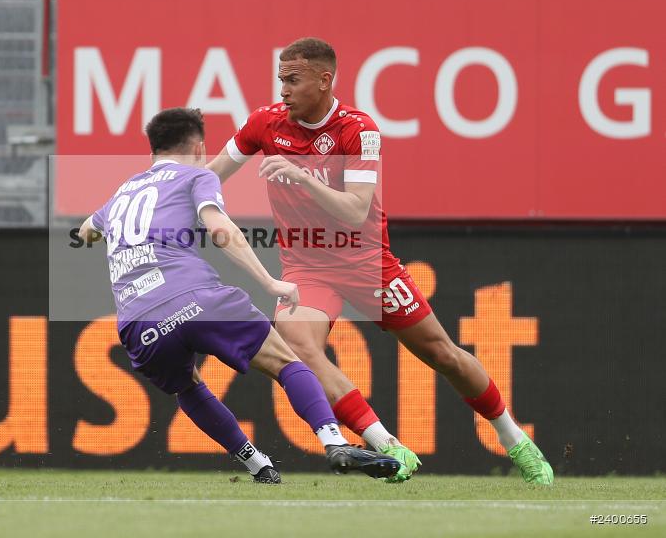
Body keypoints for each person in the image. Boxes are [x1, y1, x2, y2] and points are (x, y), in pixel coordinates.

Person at [206, 37, 553, 485]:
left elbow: (354, 209)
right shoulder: (264, 124)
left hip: (368, 265)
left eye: (293, 80)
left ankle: (514, 439)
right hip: (308, 269)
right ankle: (387, 445)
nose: (284, 90)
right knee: (299, 348)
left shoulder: (358, 130)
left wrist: (299, 176)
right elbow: (210, 175)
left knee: (442, 355)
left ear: (324, 79)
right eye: (280, 80)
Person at [78, 107, 400, 483]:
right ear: (199, 147)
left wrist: (101, 233)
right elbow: (220, 229)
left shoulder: (119, 195)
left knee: (187, 386)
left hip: (137, 323)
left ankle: (257, 464)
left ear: (153, 150)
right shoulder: (197, 175)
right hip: (195, 298)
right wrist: (270, 282)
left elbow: (86, 230)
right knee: (286, 361)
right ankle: (333, 441)